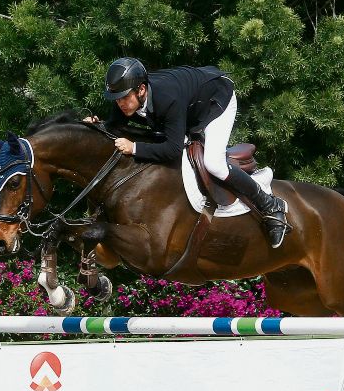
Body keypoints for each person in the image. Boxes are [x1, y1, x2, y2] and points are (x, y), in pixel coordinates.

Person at [84, 57, 290, 248]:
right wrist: (95, 126)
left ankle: (269, 204)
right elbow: (114, 126)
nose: (120, 104)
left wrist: (135, 148)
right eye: (116, 98)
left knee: (213, 163)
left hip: (216, 100)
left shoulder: (167, 98)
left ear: (141, 90)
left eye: (124, 98)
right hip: (190, 105)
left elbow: (173, 150)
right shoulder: (127, 99)